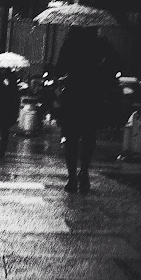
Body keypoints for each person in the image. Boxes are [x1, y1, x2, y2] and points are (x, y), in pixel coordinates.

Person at [55, 26, 120, 193]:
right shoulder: (101, 43)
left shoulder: (70, 43)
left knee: (71, 138)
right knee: (89, 135)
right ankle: (84, 170)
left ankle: (72, 177)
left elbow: (60, 68)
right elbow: (115, 64)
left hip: (73, 94)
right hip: (93, 95)